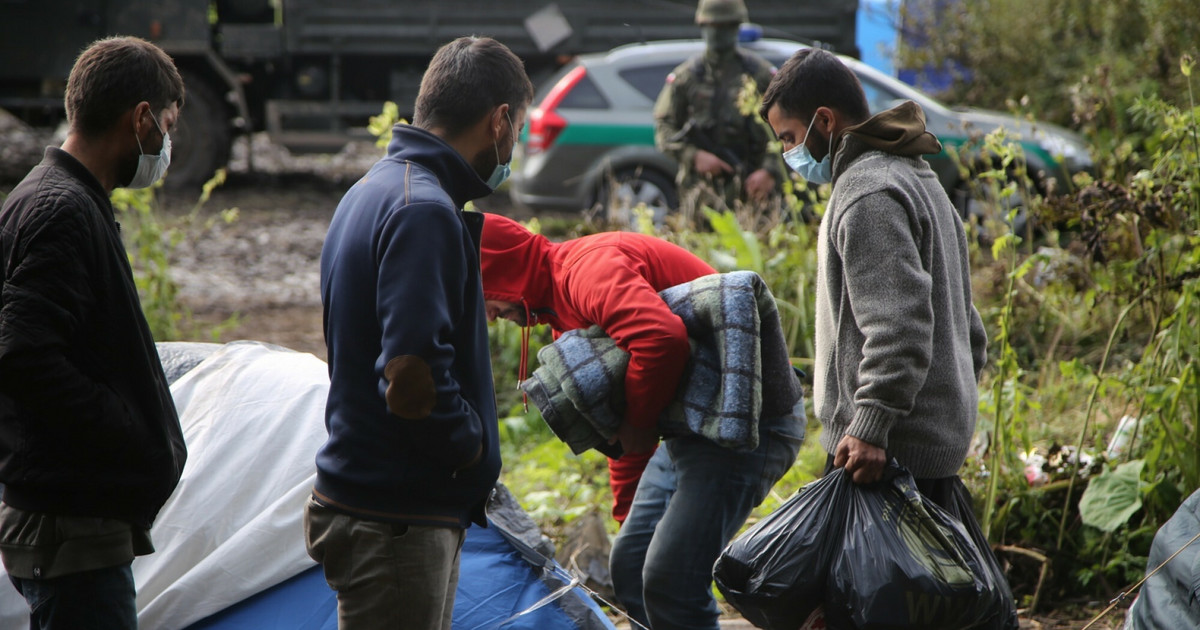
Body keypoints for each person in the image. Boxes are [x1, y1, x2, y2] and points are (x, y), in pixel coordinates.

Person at [760, 48, 1021, 627]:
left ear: (826, 122)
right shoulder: (918, 178)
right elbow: (968, 329)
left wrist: (872, 422)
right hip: (922, 442)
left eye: (789, 137)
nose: (788, 154)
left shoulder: (869, 193)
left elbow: (900, 323)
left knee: (867, 609)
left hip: (885, 452)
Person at [478, 213, 804, 630]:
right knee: (631, 564)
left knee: (672, 579)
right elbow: (625, 429)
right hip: (694, 427)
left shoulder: (586, 271)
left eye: (483, 297)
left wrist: (637, 423)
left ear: (501, 275)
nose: (489, 316)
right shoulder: (562, 315)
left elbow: (660, 339)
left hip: (746, 421)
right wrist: (629, 512)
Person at [306, 36, 532, 630]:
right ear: (499, 122)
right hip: (396, 518)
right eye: (520, 128)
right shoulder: (423, 210)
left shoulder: (375, 188)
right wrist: (472, 448)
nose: (516, 145)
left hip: (377, 508)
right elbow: (409, 377)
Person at [0, 36, 188, 629]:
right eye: (168, 125)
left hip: (72, 525)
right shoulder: (62, 210)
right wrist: (128, 428)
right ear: (140, 120)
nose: (166, 143)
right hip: (72, 530)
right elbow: (22, 354)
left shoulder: (52, 196)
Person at [653, 0, 782, 218]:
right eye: (712, 26)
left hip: (755, 192)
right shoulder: (687, 77)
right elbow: (664, 128)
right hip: (701, 194)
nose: (718, 33)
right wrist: (694, 156)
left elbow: (788, 129)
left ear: (737, 27)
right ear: (702, 26)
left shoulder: (760, 75)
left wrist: (770, 171)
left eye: (726, 26)